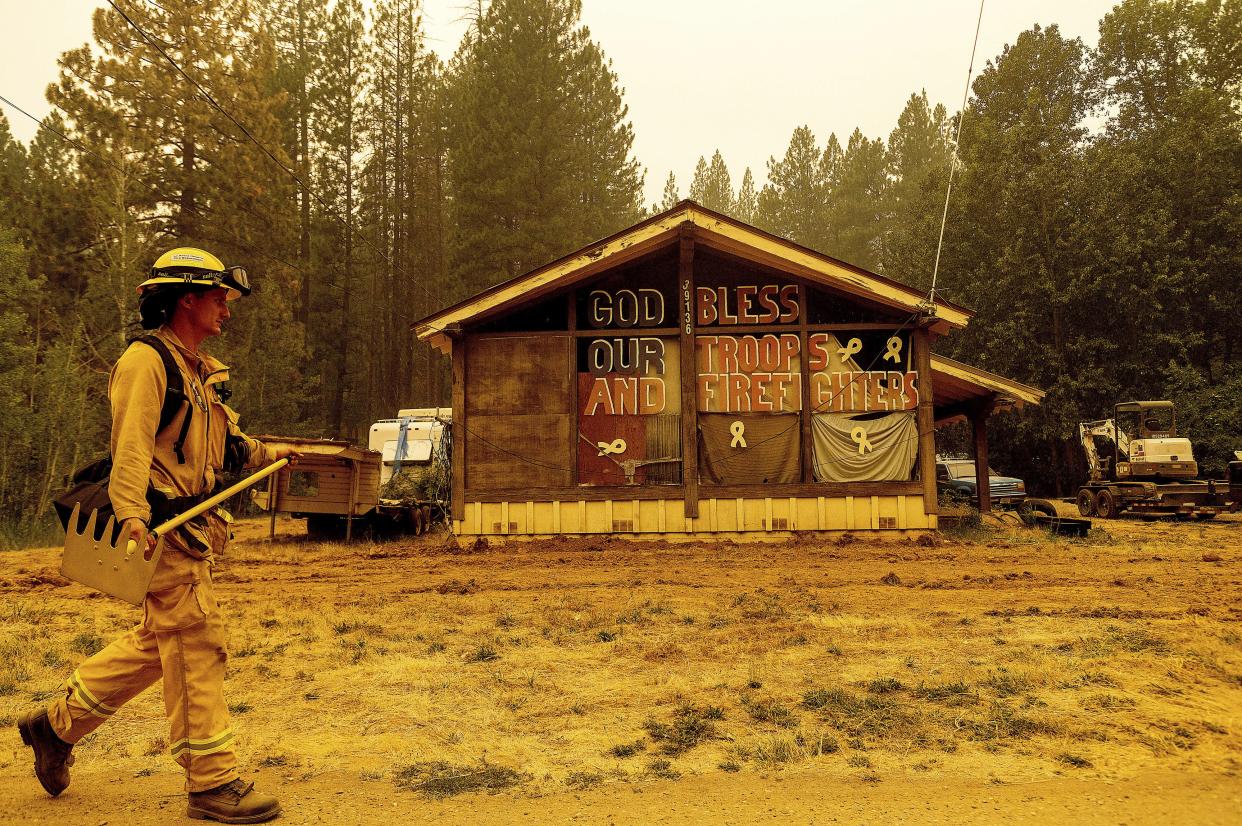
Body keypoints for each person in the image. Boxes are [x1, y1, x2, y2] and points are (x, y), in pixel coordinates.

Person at [17, 248, 297, 823]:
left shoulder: (198, 371)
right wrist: (131, 517)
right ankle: (211, 783)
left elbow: (232, 444)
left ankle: (56, 724)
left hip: (193, 528)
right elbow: (131, 447)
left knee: (159, 641)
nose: (227, 308)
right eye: (218, 297)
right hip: (162, 528)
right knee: (195, 639)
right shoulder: (146, 363)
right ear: (185, 300)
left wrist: (274, 454)